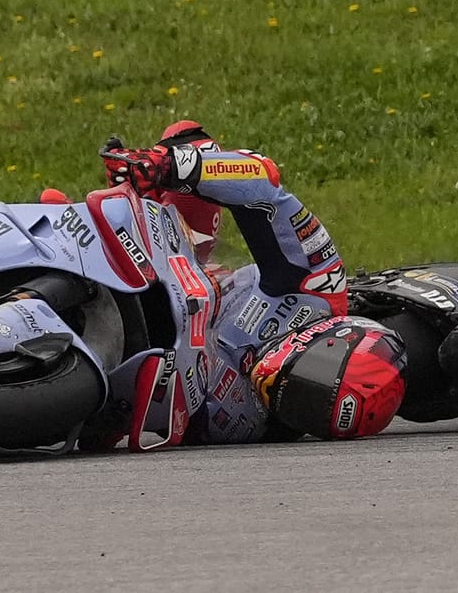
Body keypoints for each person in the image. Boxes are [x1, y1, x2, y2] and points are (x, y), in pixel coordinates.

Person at [88, 120, 408, 446]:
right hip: (188, 262)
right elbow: (261, 177)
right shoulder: (319, 287)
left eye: (308, 413)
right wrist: (165, 168)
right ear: (337, 338)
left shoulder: (248, 425)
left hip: (144, 344)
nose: (283, 393)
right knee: (190, 141)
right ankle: (143, 187)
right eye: (316, 384)